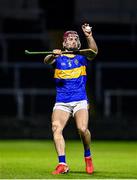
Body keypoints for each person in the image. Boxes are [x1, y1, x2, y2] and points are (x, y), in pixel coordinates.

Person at [44, 23, 98, 175]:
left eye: (75, 39)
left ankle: (88, 156)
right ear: (64, 43)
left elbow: (93, 52)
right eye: (70, 39)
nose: (73, 41)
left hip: (80, 100)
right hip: (62, 101)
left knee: (82, 129)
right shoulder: (58, 57)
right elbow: (47, 61)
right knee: (56, 128)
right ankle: (62, 163)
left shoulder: (82, 57)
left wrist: (89, 36)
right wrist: (52, 55)